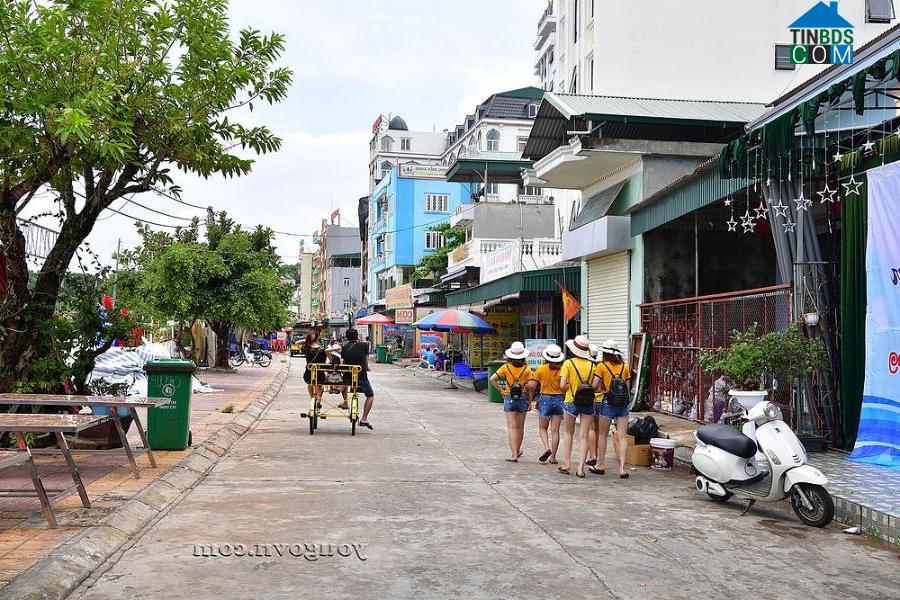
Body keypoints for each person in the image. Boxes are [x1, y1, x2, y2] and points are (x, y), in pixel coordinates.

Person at [592, 339, 633, 479]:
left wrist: (602, 389)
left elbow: (594, 386)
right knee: (622, 436)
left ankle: (600, 464)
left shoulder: (601, 366)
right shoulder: (624, 367)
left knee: (602, 435)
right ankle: (622, 468)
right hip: (623, 404)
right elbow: (627, 387)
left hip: (607, 402)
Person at [558, 335, 597, 478]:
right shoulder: (593, 365)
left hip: (571, 401)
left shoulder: (568, 364)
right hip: (588, 403)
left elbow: (562, 385)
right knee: (584, 436)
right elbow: (594, 386)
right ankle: (580, 469)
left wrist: (572, 388)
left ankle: (567, 464)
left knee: (568, 433)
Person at [489, 341, 533, 462]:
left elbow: (492, 379)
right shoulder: (527, 369)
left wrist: (502, 391)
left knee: (512, 427)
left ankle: (513, 454)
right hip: (523, 397)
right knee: (520, 427)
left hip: (509, 397)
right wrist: (529, 401)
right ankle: (517, 451)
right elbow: (531, 387)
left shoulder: (506, 367)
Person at [527, 344, 565, 464]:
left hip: (545, 399)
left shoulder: (541, 369)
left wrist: (528, 397)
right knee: (555, 430)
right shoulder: (563, 369)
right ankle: (553, 457)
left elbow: (532, 386)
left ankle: (546, 447)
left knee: (542, 428)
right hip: (559, 399)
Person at [342, 328, 375, 430]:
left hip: (348, 377)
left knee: (344, 385)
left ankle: (345, 402)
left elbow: (344, 361)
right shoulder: (364, 345)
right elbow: (365, 360)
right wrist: (366, 368)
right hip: (361, 376)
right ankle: (364, 418)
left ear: (347, 337)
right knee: (370, 395)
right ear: (357, 336)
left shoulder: (344, 347)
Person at [302, 331, 327, 403]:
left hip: (309, 373)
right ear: (317, 339)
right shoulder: (322, 350)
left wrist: (308, 340)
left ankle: (311, 398)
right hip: (320, 373)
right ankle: (318, 401)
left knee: (309, 383)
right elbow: (324, 362)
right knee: (320, 385)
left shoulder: (306, 348)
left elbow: (297, 343)